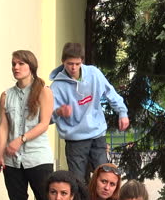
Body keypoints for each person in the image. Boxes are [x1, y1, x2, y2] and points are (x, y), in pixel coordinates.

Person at [0, 50, 54, 200]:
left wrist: (21, 139)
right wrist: (0, 155)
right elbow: (3, 127)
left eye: (21, 63)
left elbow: (44, 124)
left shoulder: (43, 91)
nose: (16, 67)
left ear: (31, 66)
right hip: (12, 161)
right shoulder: (5, 95)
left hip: (38, 158)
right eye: (13, 64)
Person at [48, 42, 129, 183]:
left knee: (104, 176)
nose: (73, 68)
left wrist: (122, 112)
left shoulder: (94, 74)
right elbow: (46, 118)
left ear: (82, 61)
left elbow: (110, 92)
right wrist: (58, 112)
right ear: (63, 62)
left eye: (77, 64)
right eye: (70, 63)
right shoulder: (57, 86)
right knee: (78, 182)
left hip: (97, 134)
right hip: (75, 140)